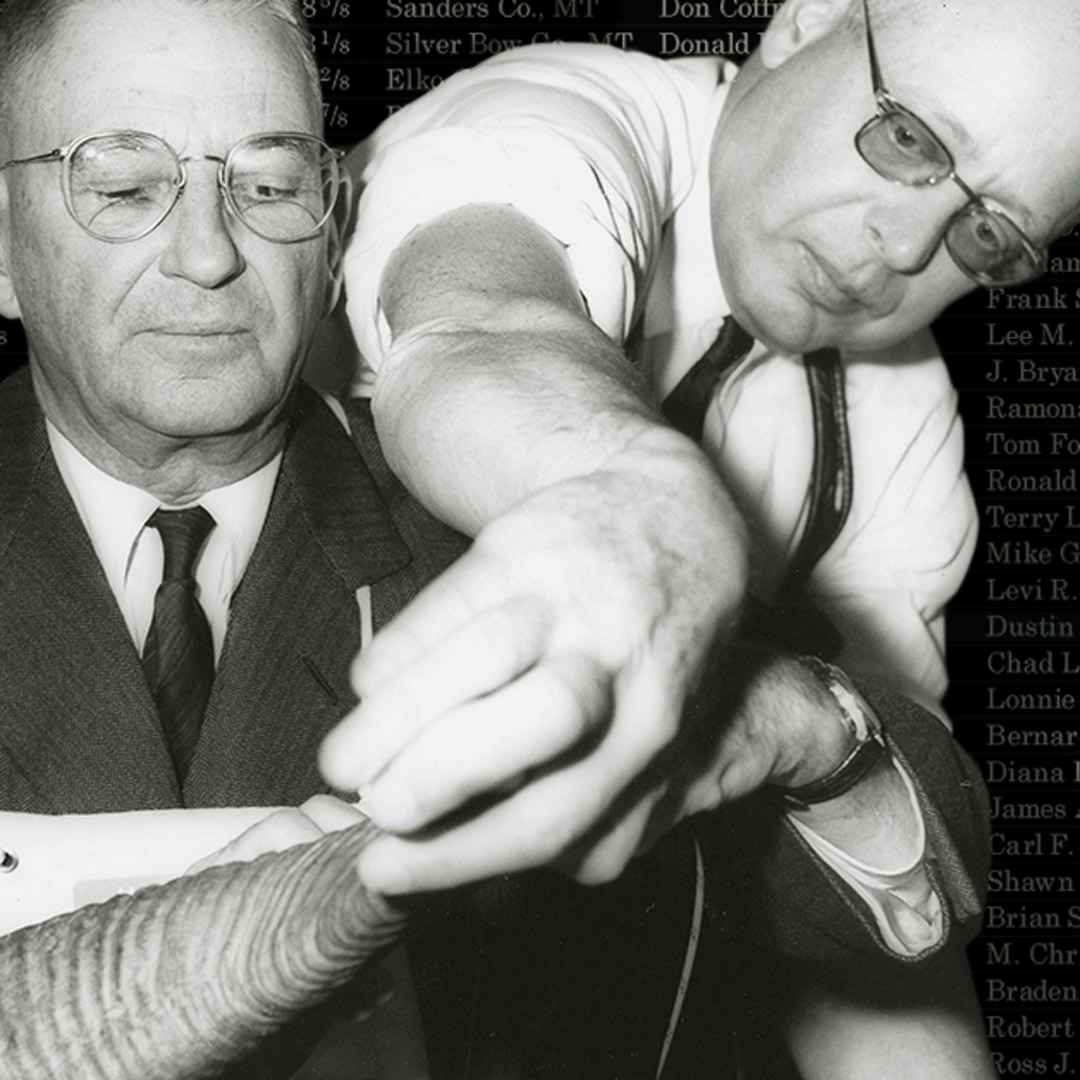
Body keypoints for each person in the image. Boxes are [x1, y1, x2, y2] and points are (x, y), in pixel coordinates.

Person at [0, 0, 994, 1075]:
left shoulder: (508, 548)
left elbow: (888, 885)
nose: (208, 254)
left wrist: (806, 726)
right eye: (124, 188)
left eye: (270, 184)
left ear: (331, 234)